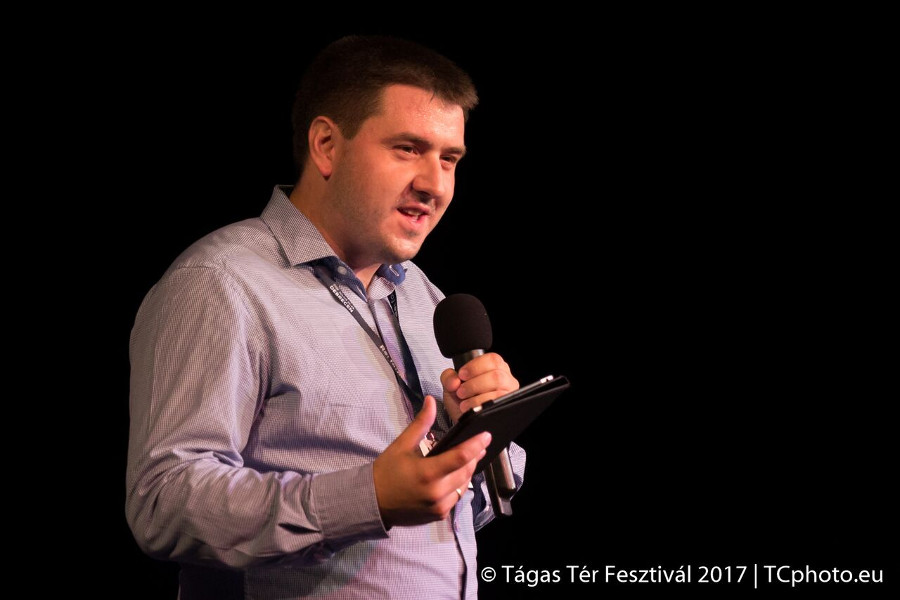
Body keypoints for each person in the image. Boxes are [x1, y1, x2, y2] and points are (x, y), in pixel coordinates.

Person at [126, 35, 526, 599]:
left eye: (449, 159)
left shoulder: (423, 296)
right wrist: (369, 498)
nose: (434, 184)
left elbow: (449, 523)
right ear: (326, 146)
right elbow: (163, 504)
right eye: (407, 149)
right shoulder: (222, 282)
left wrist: (473, 437)